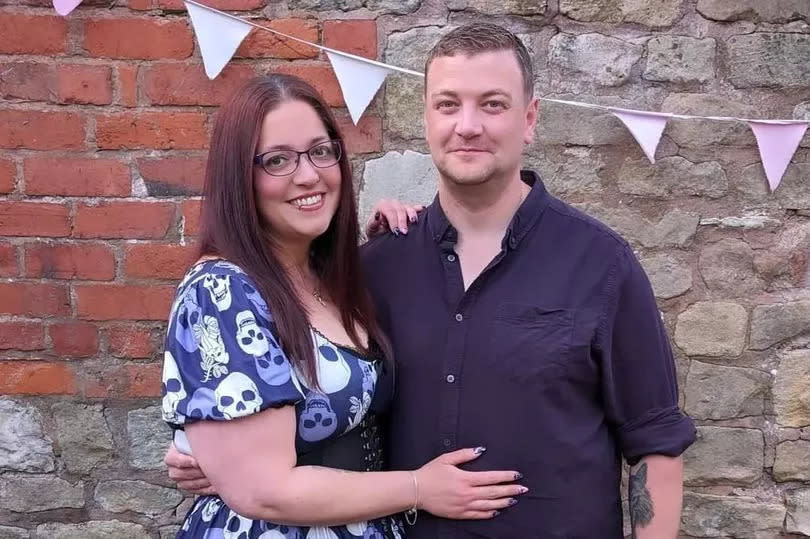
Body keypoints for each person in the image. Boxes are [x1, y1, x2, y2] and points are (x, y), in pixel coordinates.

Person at [166, 24, 697, 538]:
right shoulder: (375, 267)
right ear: (426, 118)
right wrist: (205, 452)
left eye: (493, 104)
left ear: (530, 119)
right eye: (448, 104)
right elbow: (313, 406)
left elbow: (654, 441)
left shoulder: (600, 264)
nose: (468, 125)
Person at [160, 74, 527, 539]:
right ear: (240, 179)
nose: (309, 175)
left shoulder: (327, 276)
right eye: (277, 160)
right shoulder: (222, 291)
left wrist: (395, 241)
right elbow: (265, 491)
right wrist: (419, 487)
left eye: (320, 150)